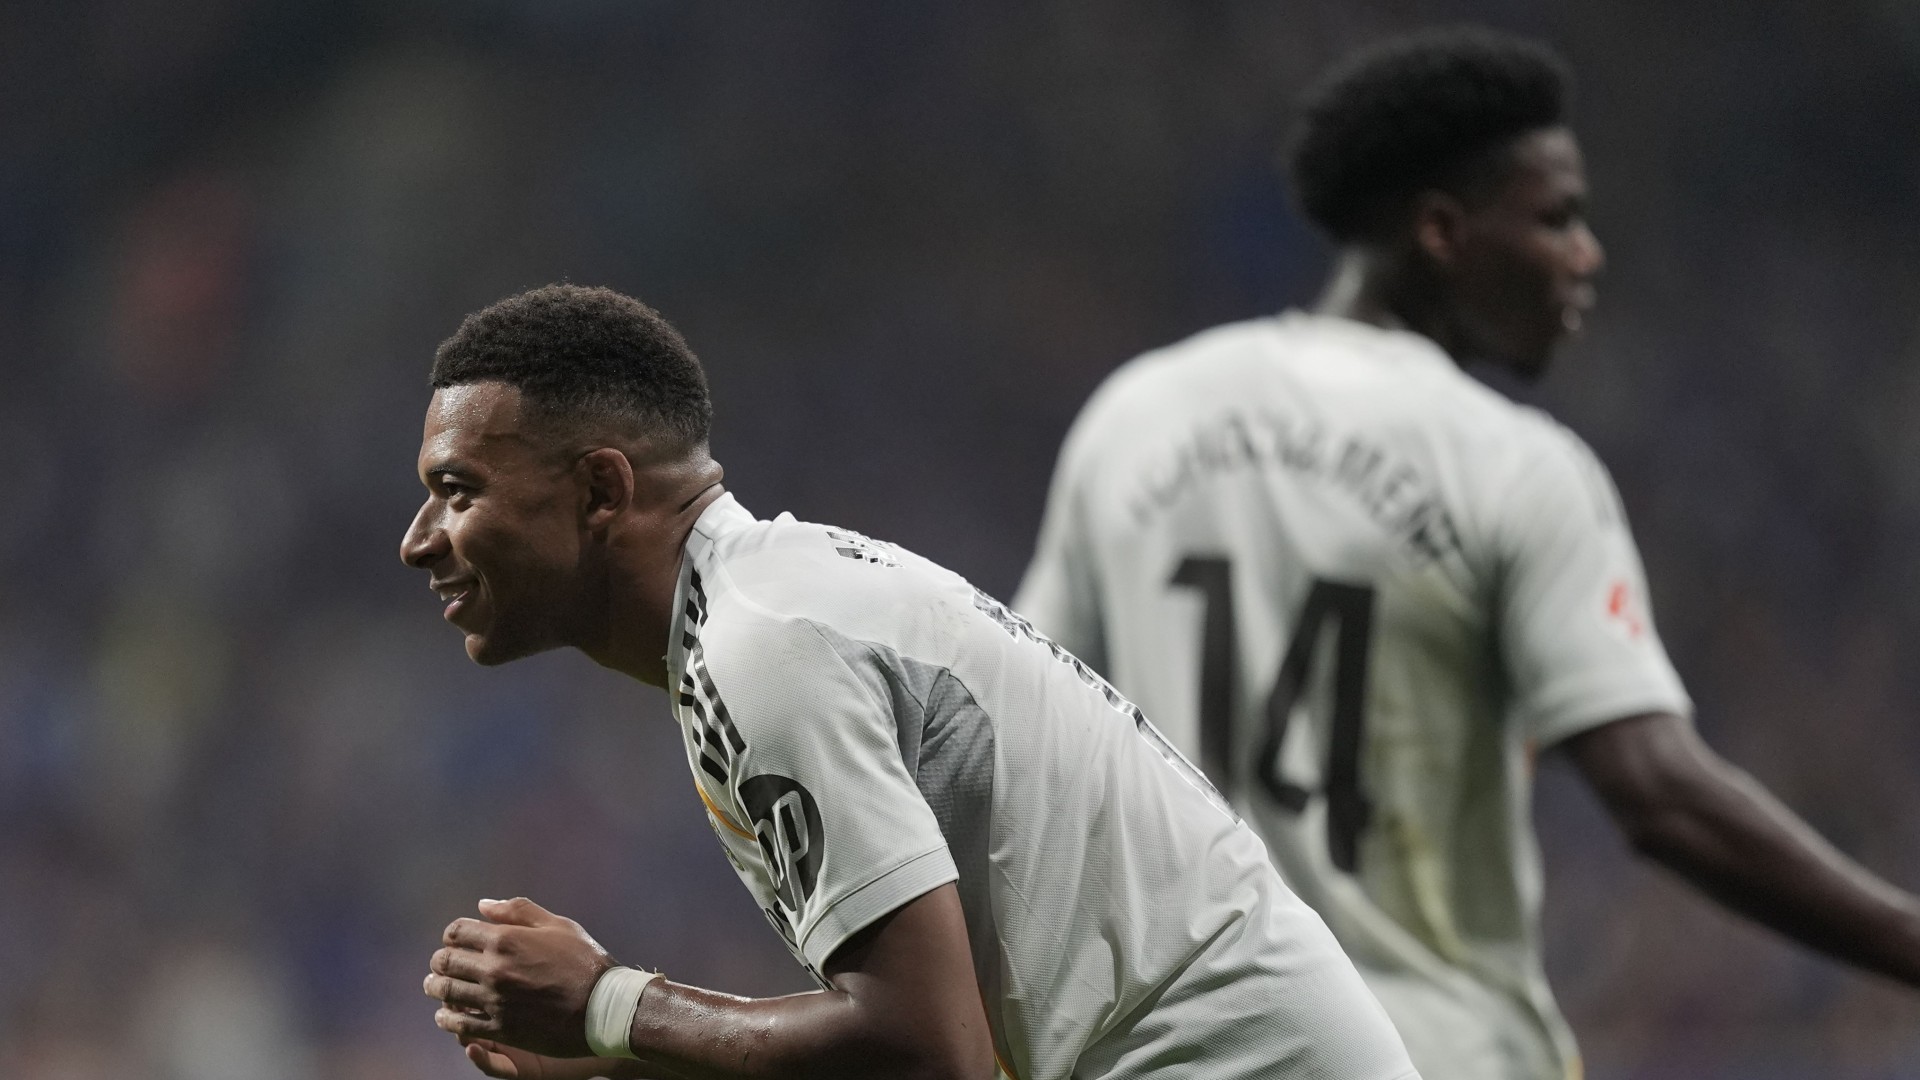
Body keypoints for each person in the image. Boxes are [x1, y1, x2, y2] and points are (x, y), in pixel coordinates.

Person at [1011, 26, 1920, 1080]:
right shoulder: (1513, 464)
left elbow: (1032, 739)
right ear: (1441, 230)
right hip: (1425, 1050)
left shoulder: (1137, 419)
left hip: (1173, 1053)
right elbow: (1658, 794)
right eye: (1557, 218)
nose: (1588, 254)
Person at [404, 284, 1419, 1080]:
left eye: (457, 491)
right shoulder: (763, 609)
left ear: (601, 489)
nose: (418, 540)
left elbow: (930, 1054)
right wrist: (620, 1054)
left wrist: (610, 1005)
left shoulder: (765, 646)